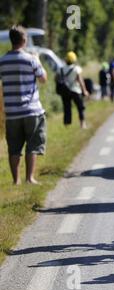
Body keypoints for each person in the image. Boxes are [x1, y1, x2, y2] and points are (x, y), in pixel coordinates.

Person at [0, 25, 47, 185]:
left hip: (12, 112)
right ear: (24, 40)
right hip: (31, 110)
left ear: (11, 40)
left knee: (14, 147)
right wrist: (38, 59)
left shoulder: (2, 60)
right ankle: (29, 178)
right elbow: (43, 79)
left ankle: (16, 180)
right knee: (32, 144)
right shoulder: (31, 59)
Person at [60, 51, 90, 129]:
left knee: (67, 108)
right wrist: (85, 91)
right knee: (80, 107)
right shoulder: (76, 69)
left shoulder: (62, 69)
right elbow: (80, 81)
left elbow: (57, 79)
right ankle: (82, 124)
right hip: (75, 90)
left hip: (65, 91)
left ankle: (67, 125)